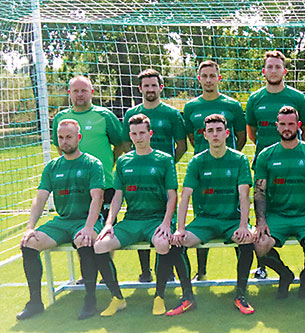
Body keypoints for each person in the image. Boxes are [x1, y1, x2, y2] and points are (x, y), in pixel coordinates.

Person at [17, 119, 118, 320]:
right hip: (62, 221)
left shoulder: (92, 163)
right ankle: (35, 302)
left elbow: (97, 198)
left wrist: (89, 228)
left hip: (86, 220)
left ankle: (90, 299)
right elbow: (40, 198)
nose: (64, 142)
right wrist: (30, 227)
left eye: (69, 137)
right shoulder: (52, 167)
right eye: (61, 138)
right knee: (28, 243)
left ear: (78, 138)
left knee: (84, 240)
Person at [94, 114, 193, 316]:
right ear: (130, 135)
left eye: (142, 133)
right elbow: (118, 196)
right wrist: (109, 224)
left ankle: (159, 296)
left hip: (157, 219)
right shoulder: (123, 161)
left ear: (150, 134)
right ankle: (117, 298)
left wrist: (167, 223)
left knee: (163, 244)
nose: (138, 137)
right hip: (132, 220)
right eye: (134, 134)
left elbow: (172, 195)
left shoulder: (164, 160)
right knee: (100, 245)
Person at [167, 114, 265, 315]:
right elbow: (184, 196)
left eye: (219, 130)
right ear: (204, 135)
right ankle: (187, 297)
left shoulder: (239, 159)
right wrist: (180, 229)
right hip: (205, 221)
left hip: (232, 220)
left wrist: (244, 225)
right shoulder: (197, 161)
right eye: (210, 131)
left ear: (227, 133)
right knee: (176, 243)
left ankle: (240, 294)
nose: (215, 134)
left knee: (247, 241)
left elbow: (244, 194)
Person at [245, 50, 305, 279]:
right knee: (263, 210)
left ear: (284, 71)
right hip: (266, 167)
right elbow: (252, 133)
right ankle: (265, 267)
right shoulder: (255, 99)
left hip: (295, 167)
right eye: (269, 67)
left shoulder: (298, 98)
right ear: (264, 71)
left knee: (301, 210)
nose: (273, 71)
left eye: (277, 67)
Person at [252, 106, 305, 299]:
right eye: (283, 124)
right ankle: (284, 273)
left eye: (291, 124)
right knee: (259, 245)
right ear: (276, 126)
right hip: (277, 215)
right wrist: (261, 221)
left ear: (299, 126)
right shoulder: (266, 155)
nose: (287, 128)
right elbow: (259, 192)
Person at [182, 60, 247, 281]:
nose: (208, 79)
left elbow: (242, 136)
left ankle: (244, 274)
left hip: (228, 170)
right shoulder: (191, 107)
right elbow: (192, 137)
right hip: (203, 171)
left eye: (212, 75)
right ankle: (201, 272)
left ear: (219, 77)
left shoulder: (233, 105)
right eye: (204, 76)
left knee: (237, 218)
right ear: (198, 79)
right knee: (203, 217)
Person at [121, 68, 187, 282]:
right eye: (146, 86)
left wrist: (163, 167)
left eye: (153, 85)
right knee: (139, 214)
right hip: (138, 177)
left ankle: (167, 272)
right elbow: (124, 144)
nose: (150, 89)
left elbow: (182, 145)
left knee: (166, 220)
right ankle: (145, 271)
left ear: (161, 87)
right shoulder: (132, 114)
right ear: (140, 88)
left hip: (162, 177)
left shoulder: (171, 114)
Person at [52, 75, 125, 242]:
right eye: (75, 91)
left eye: (84, 90)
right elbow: (59, 146)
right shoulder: (60, 118)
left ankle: (106, 267)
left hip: (104, 184)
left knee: (104, 236)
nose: (79, 94)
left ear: (91, 92)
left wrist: (109, 163)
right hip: (75, 188)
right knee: (80, 234)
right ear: (69, 93)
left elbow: (120, 144)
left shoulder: (104, 115)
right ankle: (88, 268)